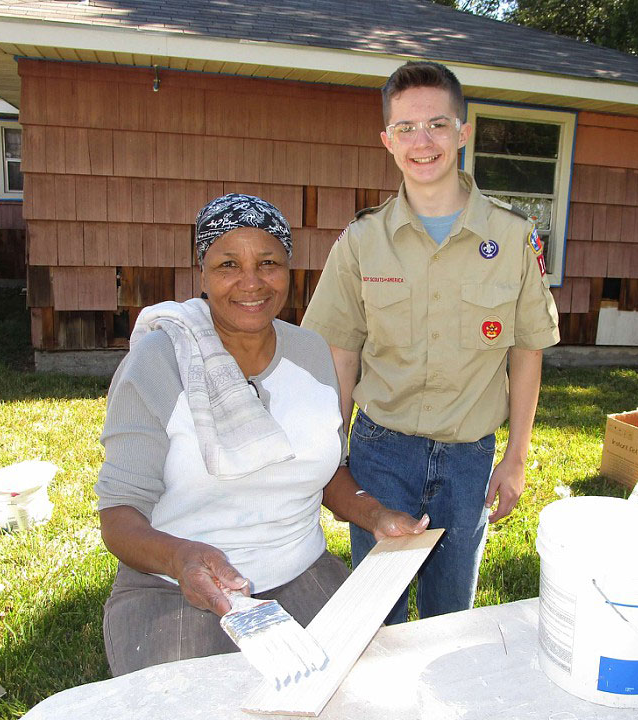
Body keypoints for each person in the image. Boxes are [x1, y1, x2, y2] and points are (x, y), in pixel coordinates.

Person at [96, 193, 428, 676]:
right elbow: (118, 516)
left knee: (356, 695)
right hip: (174, 587)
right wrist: (181, 558)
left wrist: (375, 515)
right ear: (203, 273)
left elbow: (326, 469)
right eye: (228, 264)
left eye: (268, 262)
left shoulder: (311, 353)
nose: (251, 282)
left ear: (288, 269)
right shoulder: (158, 363)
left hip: (304, 574)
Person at [301, 61, 560, 625]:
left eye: (438, 125)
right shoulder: (362, 241)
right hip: (380, 452)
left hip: (469, 458)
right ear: (387, 141)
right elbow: (341, 353)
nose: (423, 142)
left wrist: (515, 458)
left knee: (452, 615)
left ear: (463, 133)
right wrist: (333, 457)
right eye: (406, 129)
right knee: (379, 614)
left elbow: (527, 351)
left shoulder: (513, 238)